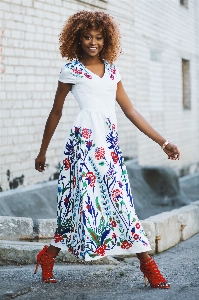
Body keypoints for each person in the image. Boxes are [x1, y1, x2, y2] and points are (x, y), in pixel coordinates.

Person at [35, 11, 180, 288]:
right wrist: (42, 152)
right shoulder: (71, 70)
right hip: (84, 146)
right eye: (88, 37)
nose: (93, 42)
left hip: (109, 148)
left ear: (106, 40)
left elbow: (130, 111)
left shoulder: (112, 72)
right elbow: (55, 112)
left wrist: (163, 142)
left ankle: (48, 255)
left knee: (121, 203)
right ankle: (148, 268)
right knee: (79, 206)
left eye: (99, 37)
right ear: (77, 38)